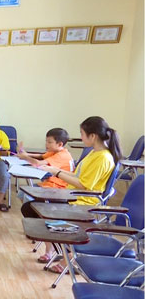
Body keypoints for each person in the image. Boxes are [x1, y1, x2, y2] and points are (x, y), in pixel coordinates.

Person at [28, 117, 122, 273]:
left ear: (93, 136)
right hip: (72, 195)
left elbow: (84, 185)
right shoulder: (95, 153)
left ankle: (69, 256)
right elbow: (77, 175)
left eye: (82, 134)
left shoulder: (103, 158)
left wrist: (56, 172)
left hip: (83, 201)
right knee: (33, 208)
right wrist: (53, 171)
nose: (81, 137)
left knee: (40, 211)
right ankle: (63, 251)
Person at [15, 127, 74, 264]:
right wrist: (25, 153)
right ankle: (39, 230)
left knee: (40, 212)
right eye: (46, 141)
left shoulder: (61, 156)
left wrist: (25, 157)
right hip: (49, 186)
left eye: (49, 142)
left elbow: (37, 163)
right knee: (23, 194)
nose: (46, 145)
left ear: (60, 144)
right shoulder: (55, 152)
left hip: (58, 190)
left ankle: (48, 248)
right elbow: (40, 157)